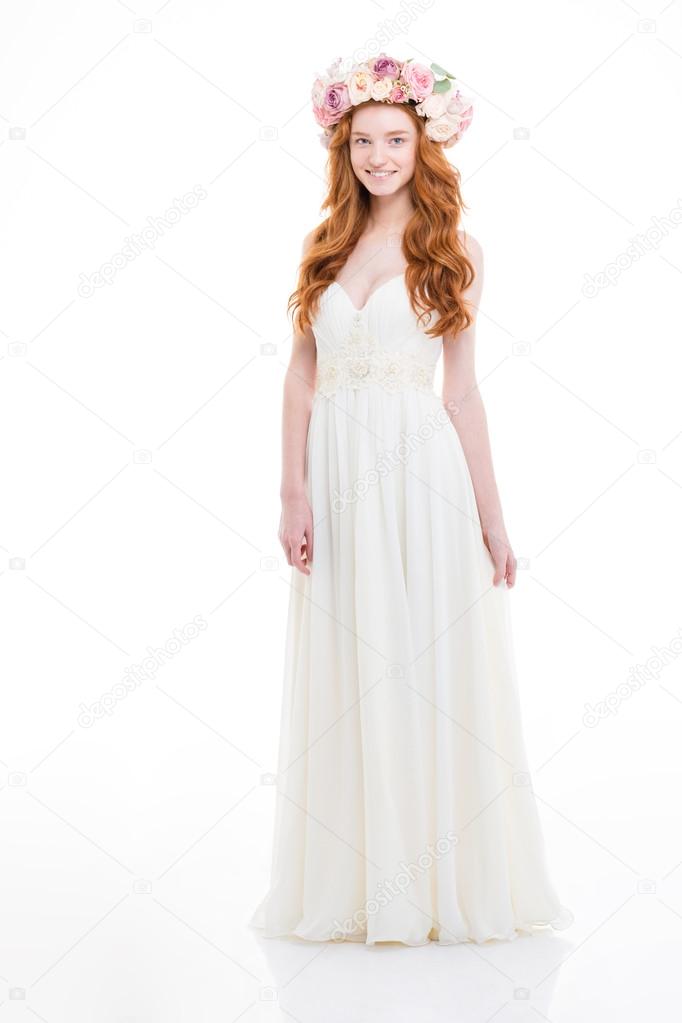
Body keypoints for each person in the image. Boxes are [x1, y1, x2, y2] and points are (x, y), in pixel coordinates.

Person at [250, 53, 569, 946]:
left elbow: (461, 393)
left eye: (395, 140)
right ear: (343, 150)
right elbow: (299, 377)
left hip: (419, 481)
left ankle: (438, 884)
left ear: (424, 145)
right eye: (363, 142)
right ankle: (356, 883)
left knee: (424, 664)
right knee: (354, 669)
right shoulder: (324, 245)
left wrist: (492, 519)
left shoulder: (454, 250)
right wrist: (291, 492)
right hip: (338, 482)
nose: (379, 157)